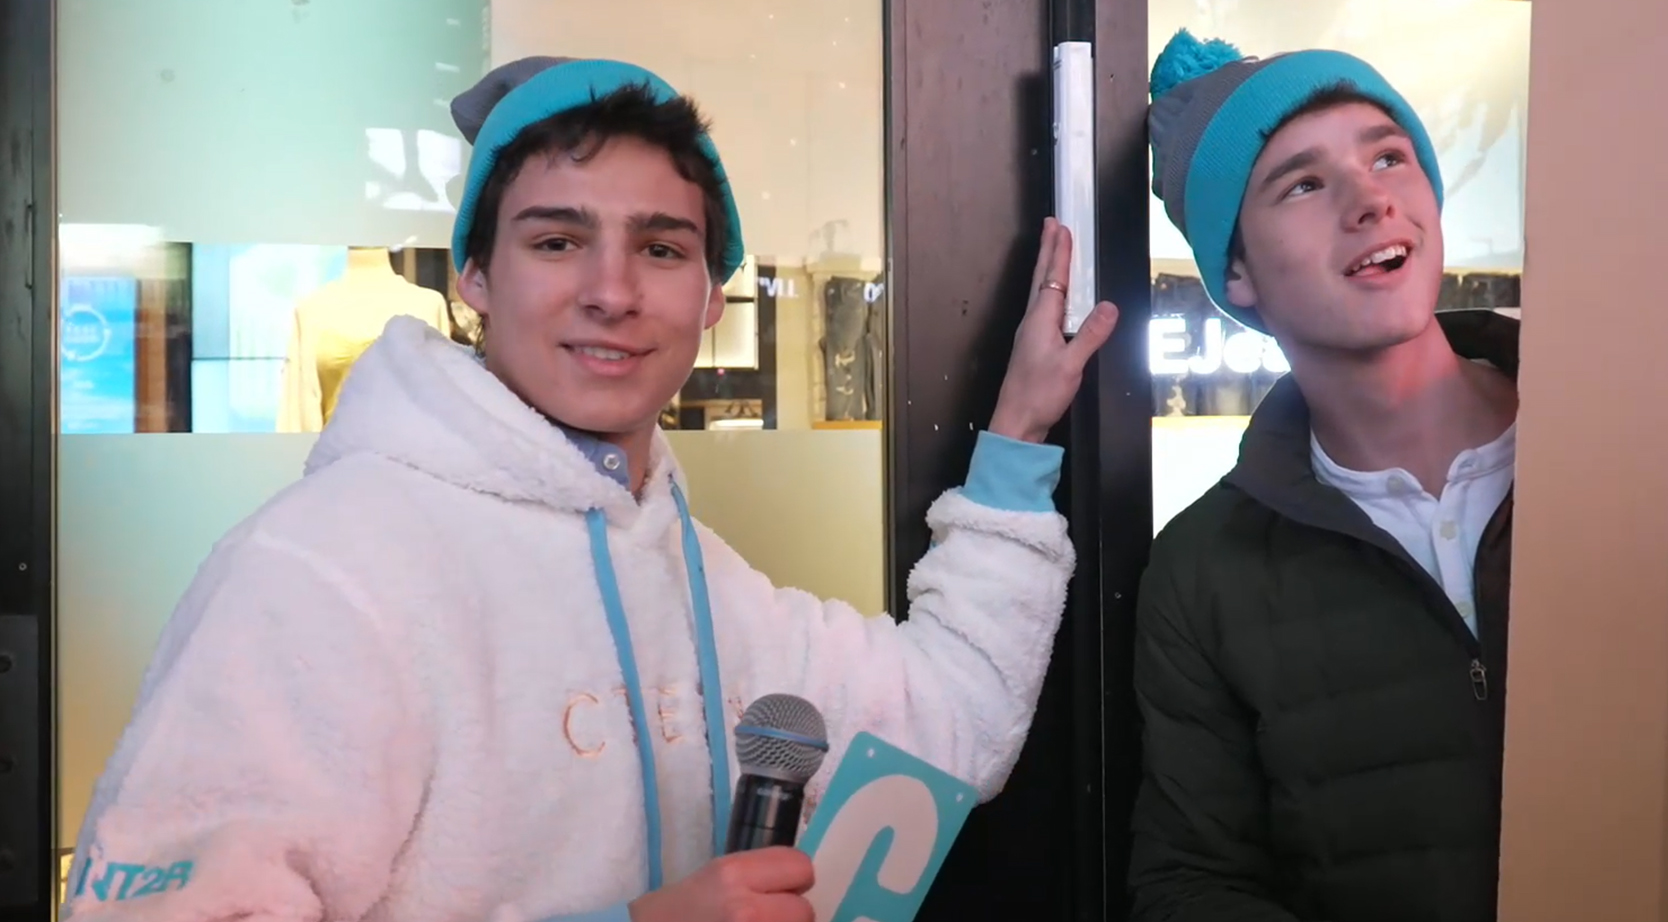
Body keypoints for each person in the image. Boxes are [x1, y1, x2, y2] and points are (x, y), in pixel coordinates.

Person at [61, 56, 1119, 922]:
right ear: (472, 275)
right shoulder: (318, 573)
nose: (611, 292)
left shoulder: (694, 576)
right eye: (558, 240)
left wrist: (1020, 432)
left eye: (662, 248)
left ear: (710, 300)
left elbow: (951, 722)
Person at [1127, 30, 1520, 922]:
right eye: (1303, 183)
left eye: (1388, 155)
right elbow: (1191, 883)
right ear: (1237, 271)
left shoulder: (1622, 443)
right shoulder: (1203, 571)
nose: (1370, 199)